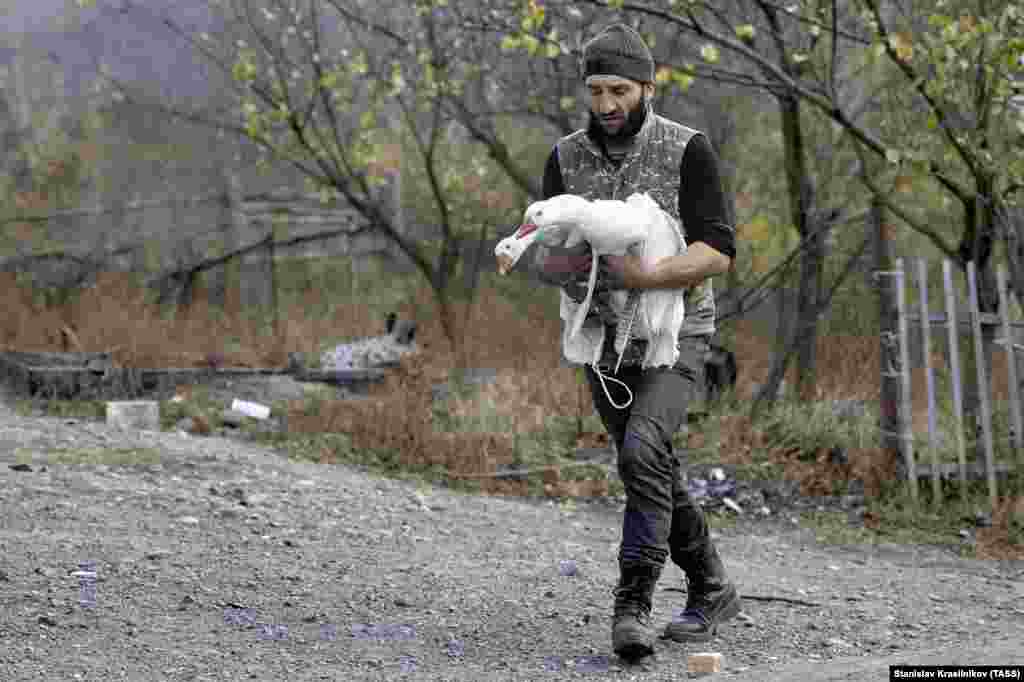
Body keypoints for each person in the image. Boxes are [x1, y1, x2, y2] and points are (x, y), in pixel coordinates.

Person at [528, 23, 741, 661]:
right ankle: (711, 584)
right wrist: (558, 263)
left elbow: (718, 251)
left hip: (679, 333)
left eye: (618, 89)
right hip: (602, 340)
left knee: (643, 449)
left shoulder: (687, 150)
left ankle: (633, 603)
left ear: (647, 86)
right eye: (595, 90)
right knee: (648, 463)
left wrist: (648, 275)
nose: (606, 104)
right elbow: (549, 254)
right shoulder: (564, 158)